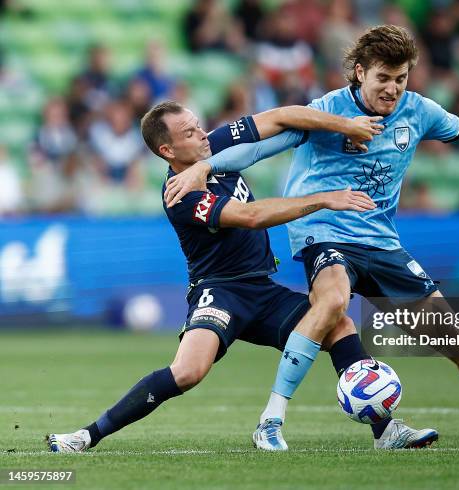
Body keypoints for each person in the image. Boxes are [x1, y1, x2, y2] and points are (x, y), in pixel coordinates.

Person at [165, 25, 459, 448]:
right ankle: (272, 419)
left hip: (382, 241)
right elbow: (258, 149)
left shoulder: (418, 112)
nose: (393, 89)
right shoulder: (328, 112)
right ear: (360, 72)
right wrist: (205, 167)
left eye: (401, 79)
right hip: (324, 232)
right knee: (331, 301)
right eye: (384, 78)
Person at [47, 100, 437, 453]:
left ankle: (386, 432)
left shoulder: (210, 148)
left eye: (198, 125)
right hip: (220, 292)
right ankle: (86, 436)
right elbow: (251, 216)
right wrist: (324, 198)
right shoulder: (179, 196)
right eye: (189, 133)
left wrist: (344, 125)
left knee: (338, 323)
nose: (202, 134)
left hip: (262, 289)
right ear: (167, 151)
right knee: (188, 371)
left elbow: (282, 116)